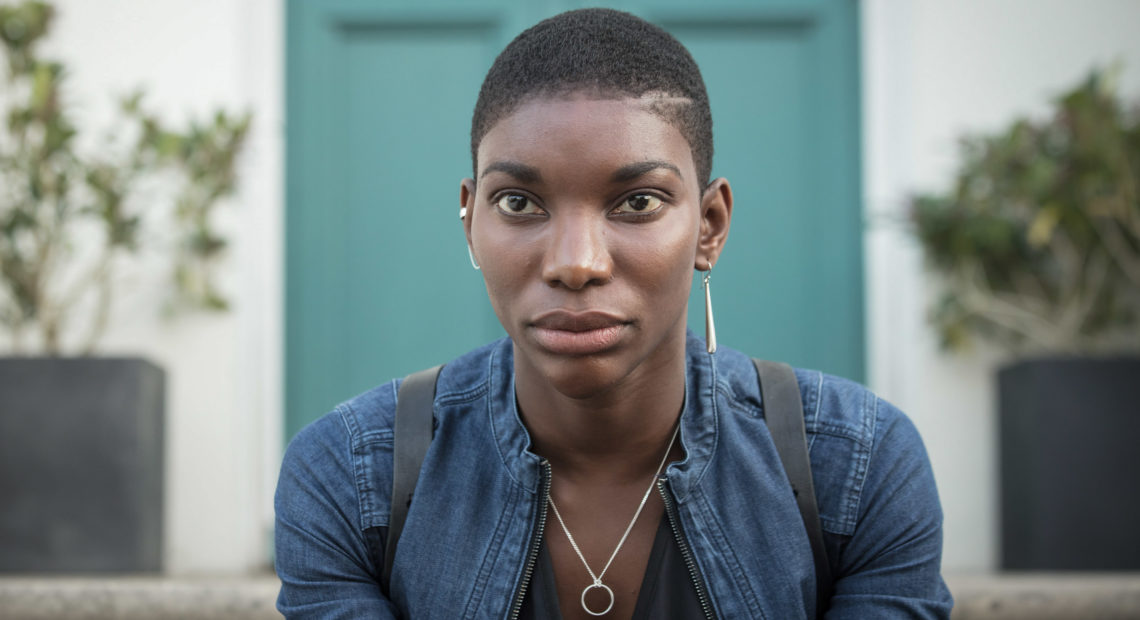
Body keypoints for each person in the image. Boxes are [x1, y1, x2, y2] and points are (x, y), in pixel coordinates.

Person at [274, 8, 953, 619]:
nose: (576, 262)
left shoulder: (855, 466)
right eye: (518, 203)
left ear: (710, 225)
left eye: (637, 202)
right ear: (469, 220)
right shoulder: (350, 476)